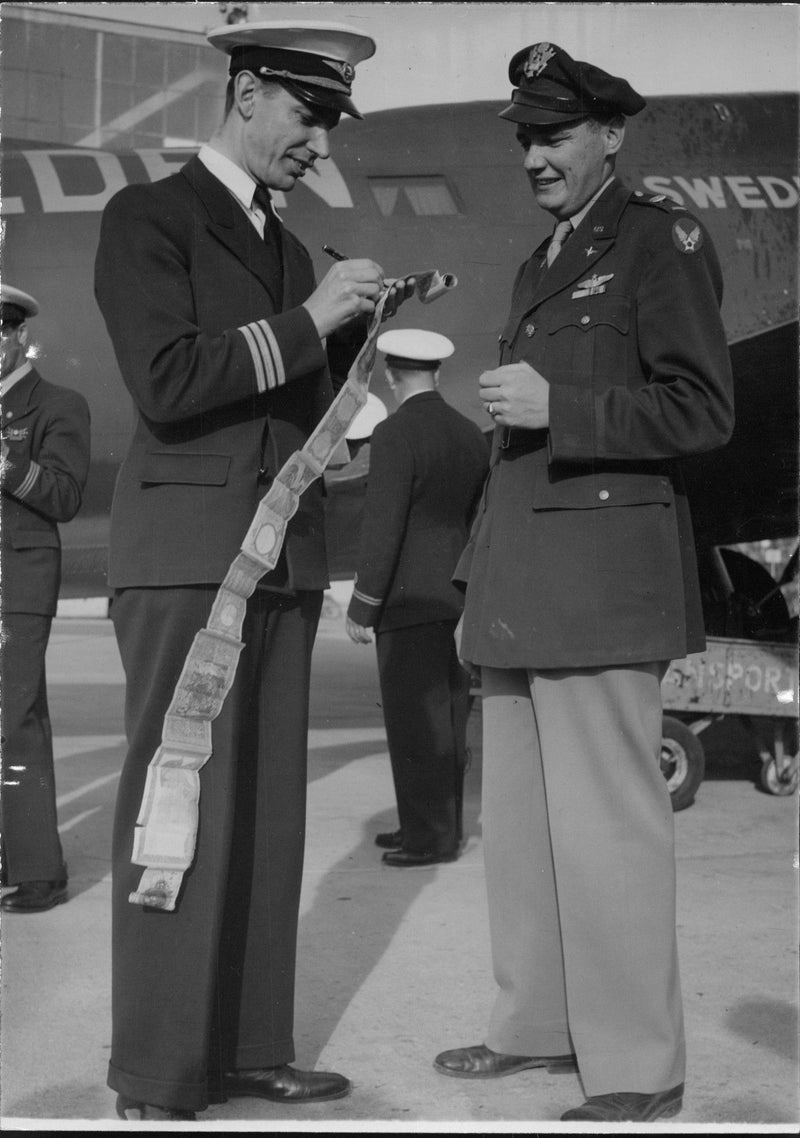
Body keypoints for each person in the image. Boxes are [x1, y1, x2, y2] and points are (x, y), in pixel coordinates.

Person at [93, 20, 414, 1123]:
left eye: (329, 119)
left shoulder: (284, 245)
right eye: (306, 112)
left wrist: (356, 361)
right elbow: (170, 381)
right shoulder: (150, 218)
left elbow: (285, 401)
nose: (317, 140)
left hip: (277, 558)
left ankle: (245, 1047)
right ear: (243, 93)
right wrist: (311, 320)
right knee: (176, 806)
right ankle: (157, 1070)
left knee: (266, 817)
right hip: (187, 560)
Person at [433, 43, 734, 1123]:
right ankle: (537, 1028)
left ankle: (636, 1064)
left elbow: (701, 410)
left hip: (603, 586)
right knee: (518, 833)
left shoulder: (660, 240)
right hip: (522, 583)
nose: (533, 157)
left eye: (553, 135)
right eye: (523, 139)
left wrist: (561, 405)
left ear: (611, 132)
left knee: (607, 833)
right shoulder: (539, 260)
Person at [345, 329, 489, 867]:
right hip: (453, 600)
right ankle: (430, 827)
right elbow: (477, 522)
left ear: (390, 374)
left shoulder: (393, 434)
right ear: (436, 373)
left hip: (406, 605)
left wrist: (363, 605)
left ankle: (428, 838)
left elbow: (383, 528)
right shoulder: (471, 434)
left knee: (411, 726)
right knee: (448, 721)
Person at [0, 284, 91, 914]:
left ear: (14, 336)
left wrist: (6, 465)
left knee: (9, 719)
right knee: (19, 720)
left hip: (18, 583)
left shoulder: (58, 404)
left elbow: (63, 497)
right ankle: (27, 861)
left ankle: (35, 869)